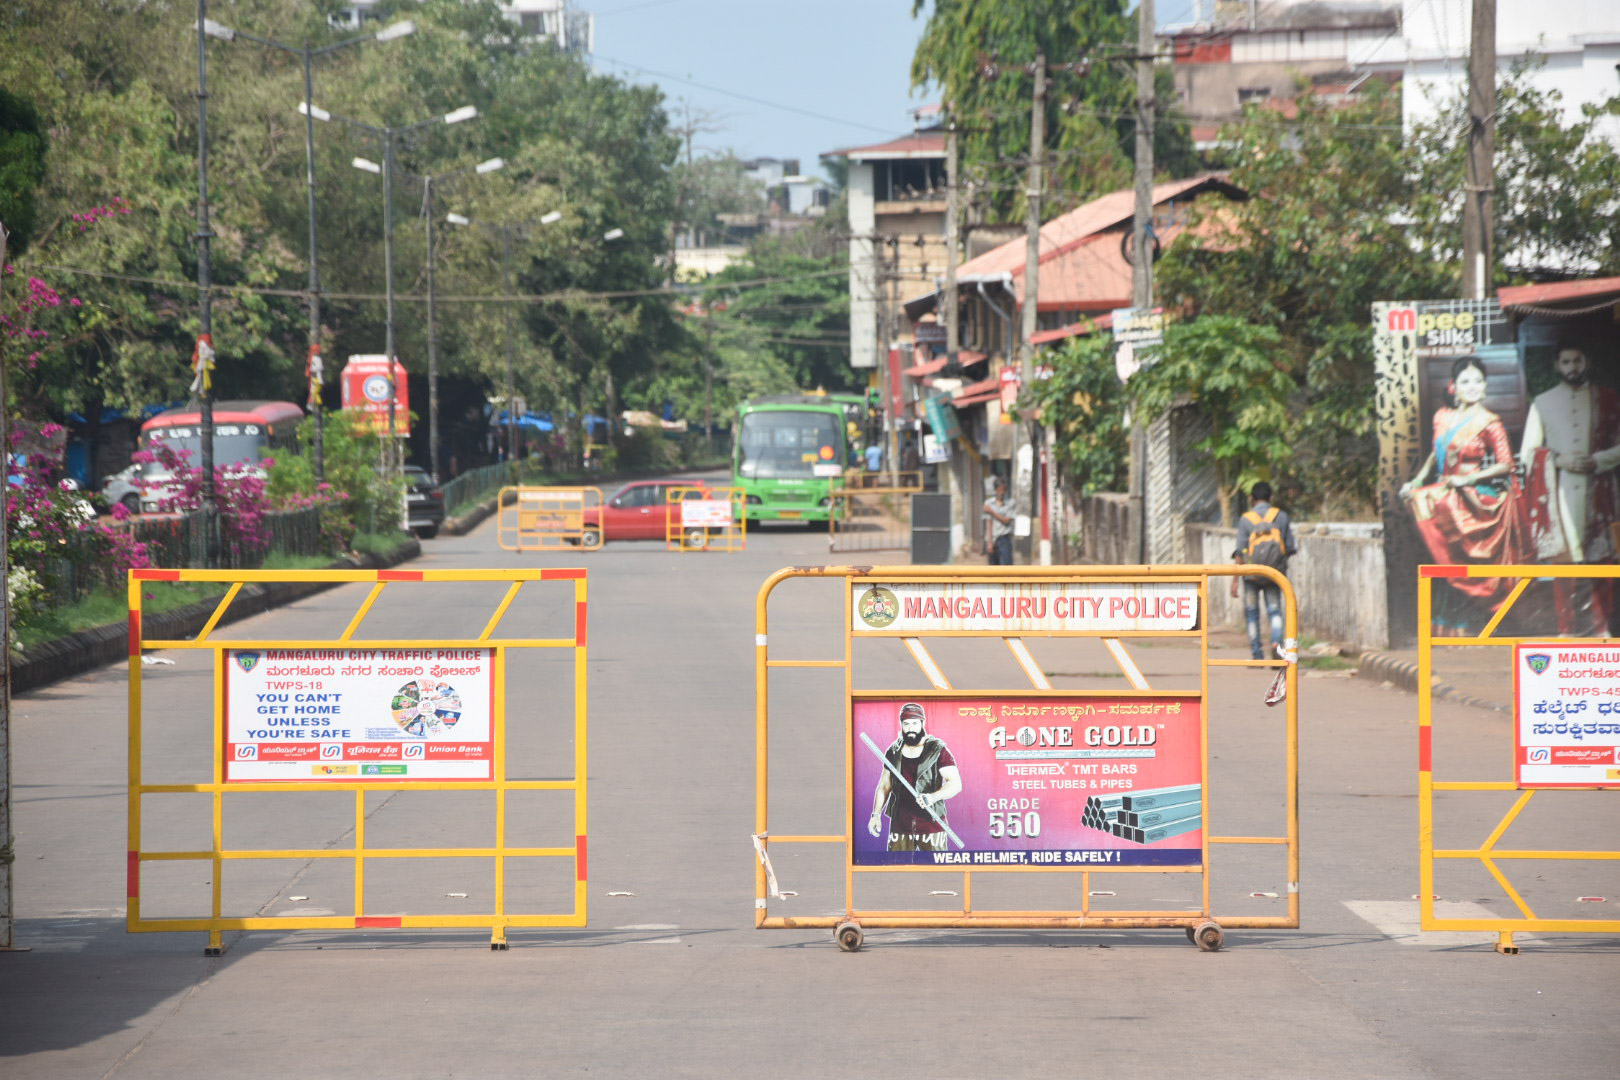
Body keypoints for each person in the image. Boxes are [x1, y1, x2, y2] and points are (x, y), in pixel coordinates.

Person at [1399, 354, 1528, 635]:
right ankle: (1445, 629)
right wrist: (1417, 480)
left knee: (1466, 564)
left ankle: (1477, 627)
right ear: (1453, 386)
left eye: (1478, 381)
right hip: (1444, 494)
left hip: (1472, 499)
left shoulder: (1489, 422)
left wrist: (1467, 478)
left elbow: (1506, 463)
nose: (1472, 386)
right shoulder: (1442, 417)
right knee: (1442, 558)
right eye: (1465, 381)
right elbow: (1437, 453)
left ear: (1485, 386)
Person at [1519, 342, 1620, 633]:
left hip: (1602, 492)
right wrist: (1558, 459)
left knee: (1603, 564)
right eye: (1566, 362)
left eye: (1577, 360)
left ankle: (1603, 629)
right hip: (1559, 496)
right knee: (1563, 569)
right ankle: (1566, 631)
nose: (1572, 367)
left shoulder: (1609, 398)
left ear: (1586, 361)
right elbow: (1528, 452)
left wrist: (1598, 460)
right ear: (1556, 366)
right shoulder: (1543, 402)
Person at [867, 702, 962, 852]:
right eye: (906, 724)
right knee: (897, 869)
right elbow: (885, 785)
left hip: (931, 824)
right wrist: (876, 815)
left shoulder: (937, 750)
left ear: (922, 723)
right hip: (901, 824)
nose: (910, 728)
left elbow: (955, 784)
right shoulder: (893, 751)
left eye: (914, 723)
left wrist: (932, 797)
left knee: (937, 870)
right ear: (902, 725)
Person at [1231, 481, 1296, 660]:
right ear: (1271, 498)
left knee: (1252, 613)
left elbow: (1240, 552)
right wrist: (1279, 565)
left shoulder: (1246, 519)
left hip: (1250, 574)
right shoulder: (1281, 517)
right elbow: (1289, 547)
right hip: (1274, 574)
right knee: (1274, 610)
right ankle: (1276, 643)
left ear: (1252, 499)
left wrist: (1236, 580)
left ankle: (1257, 654)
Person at [983, 476, 1016, 565]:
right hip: (993, 539)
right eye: (999, 490)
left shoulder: (1010, 503)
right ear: (995, 490)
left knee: (1006, 568)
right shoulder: (989, 503)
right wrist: (990, 543)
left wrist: (992, 512)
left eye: (1004, 490)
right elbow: (989, 523)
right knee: (993, 570)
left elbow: (1007, 521)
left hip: (1004, 538)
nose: (1002, 493)